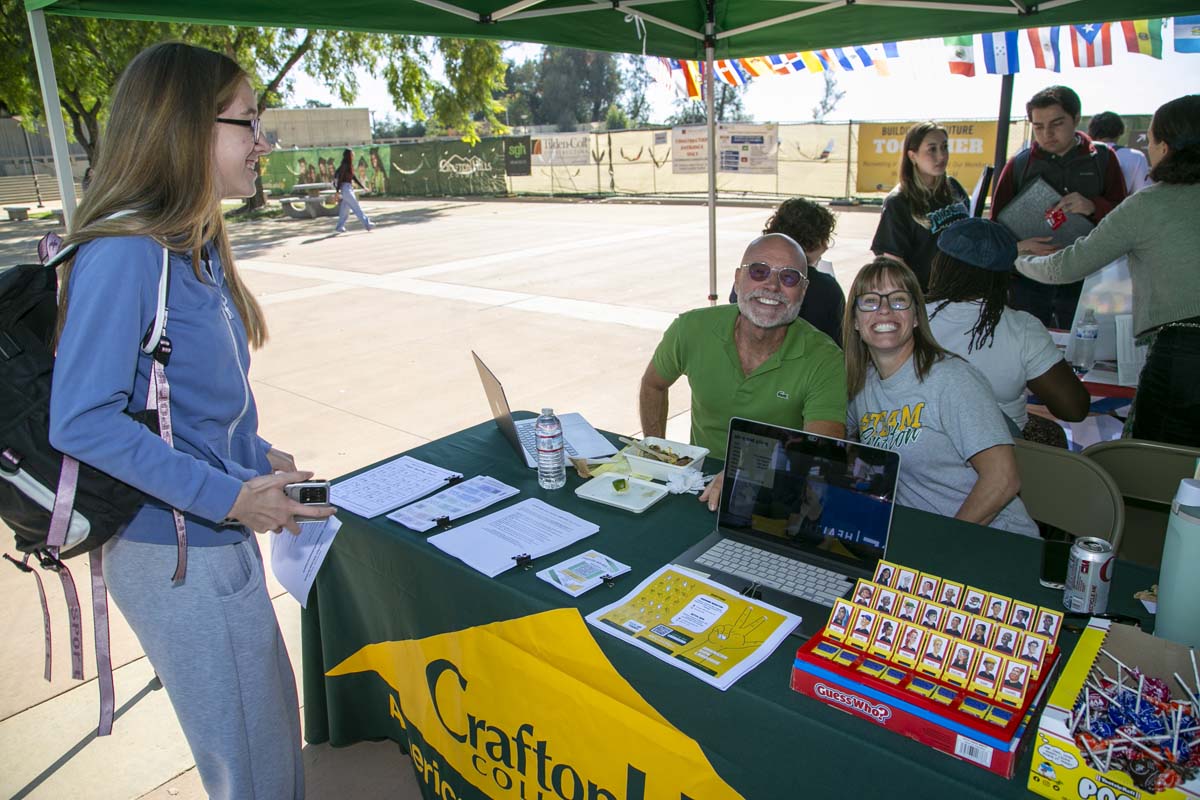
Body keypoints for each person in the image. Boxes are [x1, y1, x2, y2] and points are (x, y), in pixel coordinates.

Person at [48, 43, 335, 799]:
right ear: (185, 128)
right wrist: (234, 497)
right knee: (255, 766)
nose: (262, 142)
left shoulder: (193, 246)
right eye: (247, 122)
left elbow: (181, 403)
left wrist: (254, 457)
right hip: (174, 550)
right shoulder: (126, 251)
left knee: (269, 739)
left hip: (215, 530)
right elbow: (81, 421)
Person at [1017, 95, 1200, 448]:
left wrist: (1015, 259)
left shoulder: (1150, 203)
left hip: (1183, 357)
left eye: (1150, 140)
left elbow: (1067, 266)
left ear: (1165, 146)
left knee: (1160, 468)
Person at [641, 233, 847, 509]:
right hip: (698, 484)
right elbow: (653, 385)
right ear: (738, 279)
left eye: (789, 277)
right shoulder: (690, 329)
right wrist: (657, 451)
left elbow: (821, 448)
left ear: (804, 290)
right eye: (760, 271)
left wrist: (748, 474)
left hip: (779, 492)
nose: (772, 286)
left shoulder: (825, 357)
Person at [843, 258, 1039, 536]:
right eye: (870, 301)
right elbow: (839, 441)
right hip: (919, 536)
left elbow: (1003, 479)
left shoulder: (952, 380)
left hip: (992, 538)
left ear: (915, 317)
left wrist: (944, 544)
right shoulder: (864, 385)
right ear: (855, 321)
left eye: (899, 300)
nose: (884, 310)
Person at [926, 218, 1089, 447]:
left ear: (940, 265)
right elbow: (1074, 408)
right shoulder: (1022, 329)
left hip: (918, 444)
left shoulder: (907, 318)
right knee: (1051, 434)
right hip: (999, 452)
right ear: (1005, 276)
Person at [990, 85, 1127, 329]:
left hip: (1088, 281)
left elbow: (1125, 216)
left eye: (1056, 123)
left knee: (1081, 352)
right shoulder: (1019, 165)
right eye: (1038, 126)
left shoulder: (1103, 159)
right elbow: (994, 228)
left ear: (1076, 119)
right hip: (1029, 281)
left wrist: (1093, 206)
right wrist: (1018, 247)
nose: (1047, 133)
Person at [731, 198, 846, 345]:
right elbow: (839, 342)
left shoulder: (751, 278)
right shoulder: (828, 288)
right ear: (817, 240)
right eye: (825, 239)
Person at [870, 121, 970, 292]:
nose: (941, 156)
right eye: (932, 149)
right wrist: (919, 301)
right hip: (926, 299)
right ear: (912, 155)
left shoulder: (954, 187)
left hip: (962, 293)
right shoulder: (898, 202)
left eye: (944, 147)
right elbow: (894, 265)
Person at [1088, 111, 1152, 195]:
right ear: (1120, 131)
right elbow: (1142, 194)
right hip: (1122, 206)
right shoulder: (1136, 156)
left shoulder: (1080, 154)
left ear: (1092, 131)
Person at [332, 148, 373, 233]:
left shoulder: (349, 166)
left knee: (344, 210)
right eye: (352, 154)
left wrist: (363, 187)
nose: (353, 155)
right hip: (346, 189)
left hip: (348, 188)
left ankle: (339, 227)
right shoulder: (345, 165)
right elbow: (340, 179)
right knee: (356, 207)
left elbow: (354, 177)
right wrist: (337, 191)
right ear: (349, 155)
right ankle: (367, 224)